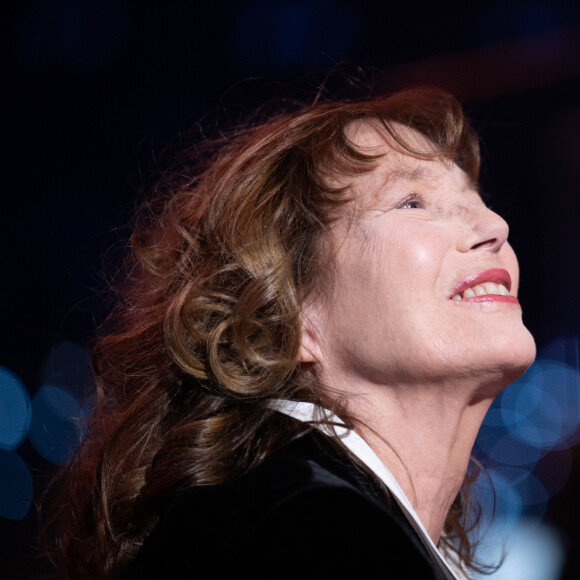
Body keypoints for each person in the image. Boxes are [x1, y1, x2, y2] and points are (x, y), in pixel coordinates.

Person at [44, 87, 536, 579]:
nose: (495, 225)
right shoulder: (312, 530)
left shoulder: (304, 519)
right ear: (284, 314)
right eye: (412, 202)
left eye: (476, 199)